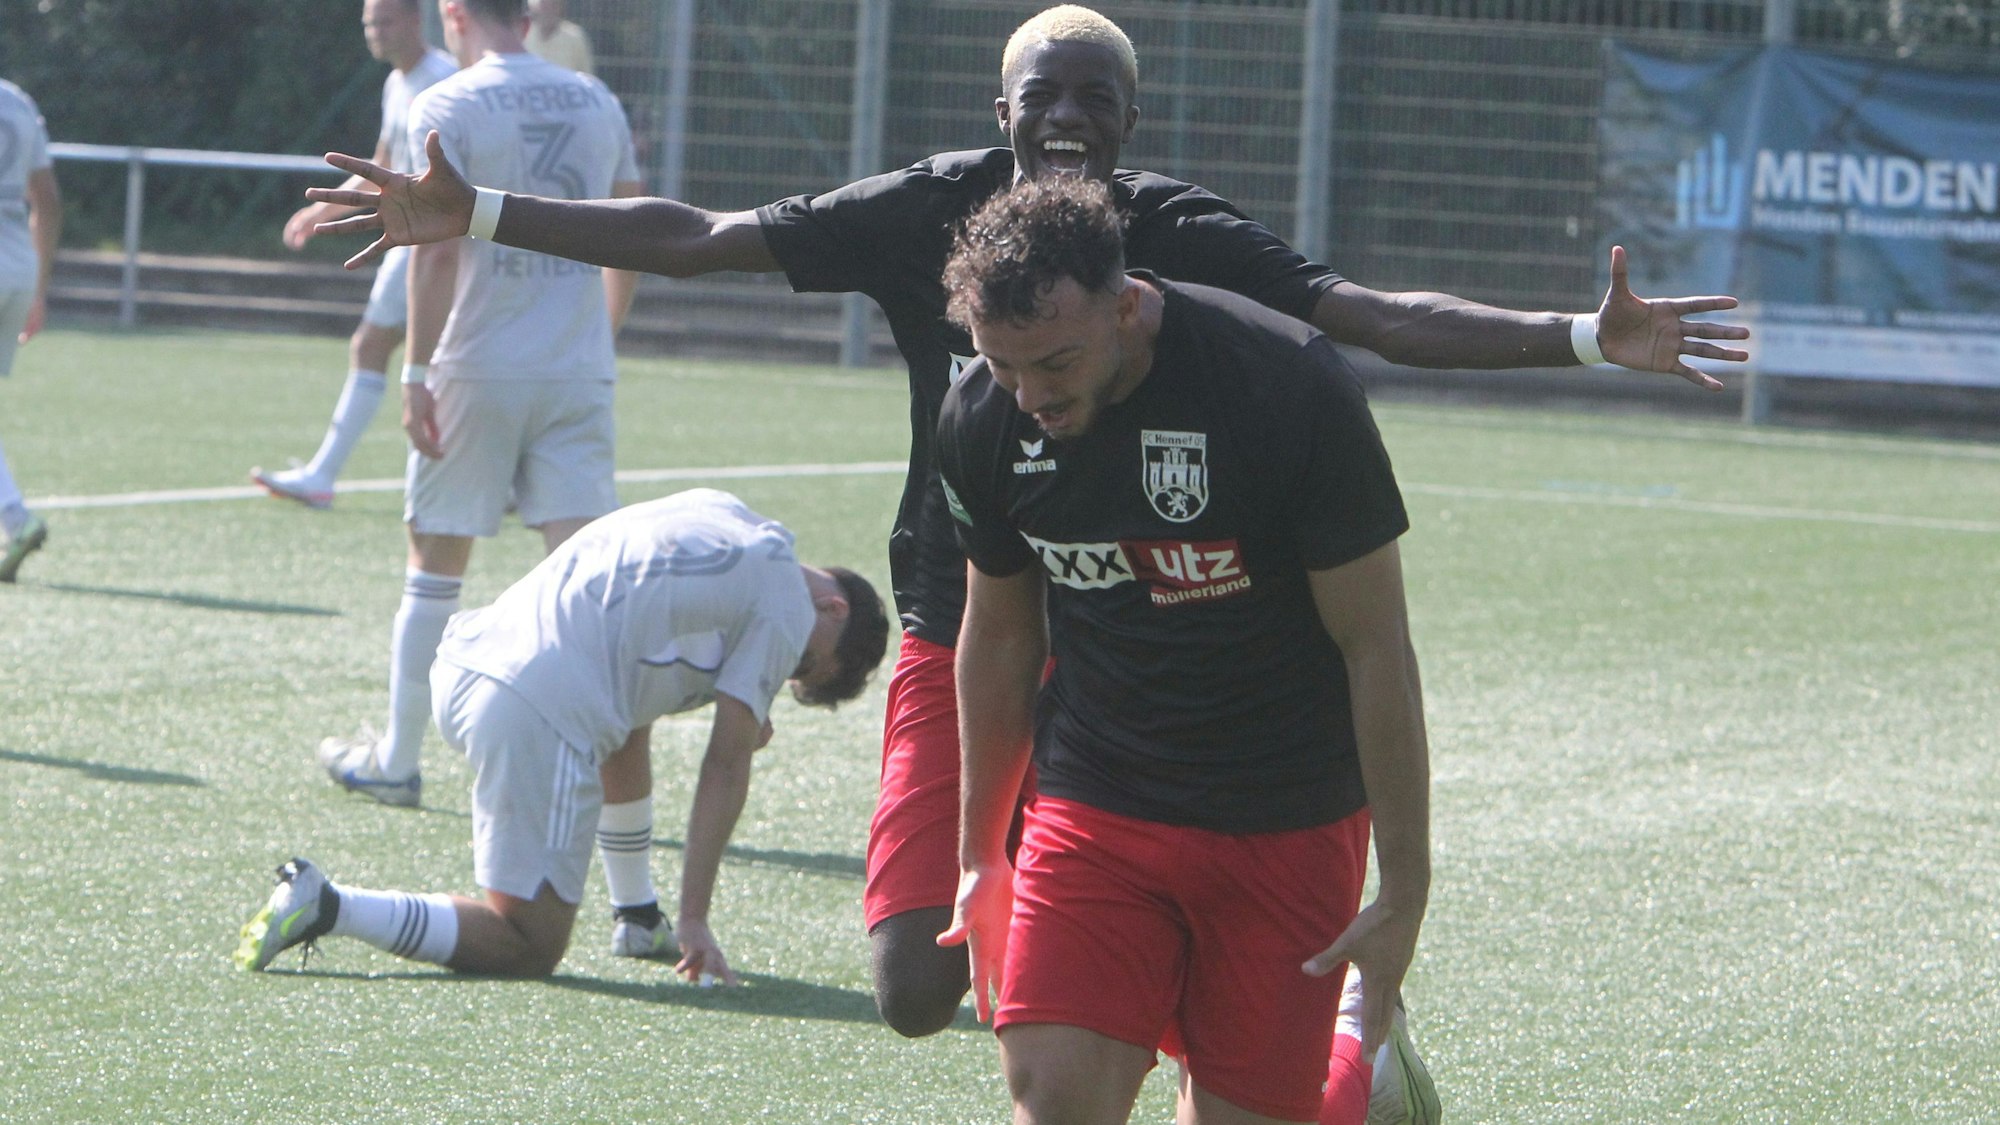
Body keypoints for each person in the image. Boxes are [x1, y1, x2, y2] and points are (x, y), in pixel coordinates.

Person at [298, 5, 1741, 1104]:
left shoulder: (1181, 243)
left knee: (1103, 1035)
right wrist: (475, 212)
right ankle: (1204, 1006)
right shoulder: (929, 210)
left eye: (1094, 102)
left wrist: (1573, 337)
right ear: (1003, 109)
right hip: (968, 617)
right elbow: (694, 236)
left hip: (1151, 655)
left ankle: (1269, 1031)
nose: (1066, 118)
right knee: (921, 982)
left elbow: (1369, 312)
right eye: (1041, 97)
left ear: (1129, 121)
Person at [932, 174, 1429, 1125]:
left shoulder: (1285, 383)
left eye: (1057, 363)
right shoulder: (985, 417)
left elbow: (1376, 647)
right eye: (1002, 365)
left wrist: (1404, 885)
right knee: (1055, 1094)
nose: (1030, 395)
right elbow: (997, 633)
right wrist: (979, 854)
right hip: (1099, 799)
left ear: (1126, 307)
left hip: (1286, 813)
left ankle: (1360, 1067)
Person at [236, 488, 890, 981]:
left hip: (469, 658)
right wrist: (696, 917)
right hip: (532, 705)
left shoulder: (727, 513)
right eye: (803, 664)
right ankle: (330, 904)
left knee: (629, 709)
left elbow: (638, 677)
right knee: (529, 943)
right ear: (833, 606)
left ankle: (636, 915)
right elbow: (724, 768)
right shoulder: (785, 606)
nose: (784, 673)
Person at [312, 0, 642, 820]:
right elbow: (632, 224)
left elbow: (432, 254)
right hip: (576, 370)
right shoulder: (594, 98)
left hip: (478, 367)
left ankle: (396, 758)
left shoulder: (446, 103)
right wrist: (596, 335)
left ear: (453, 13)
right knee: (585, 581)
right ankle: (601, 788)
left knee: (434, 565)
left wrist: (418, 369)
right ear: (525, 15)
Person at [251, 0, 457, 510]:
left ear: (414, 20)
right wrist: (321, 209)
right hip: (410, 240)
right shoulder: (396, 84)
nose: (375, 32)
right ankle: (324, 474)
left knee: (416, 354)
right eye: (369, 23)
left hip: (436, 242)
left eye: (385, 21)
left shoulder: (444, 81)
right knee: (389, 349)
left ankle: (324, 476)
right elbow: (385, 163)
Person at [0, 78, 61, 584]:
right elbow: (50, 202)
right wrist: (38, 290)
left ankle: (15, 517)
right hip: (17, 267)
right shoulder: (20, 102)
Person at [525, 0, 593, 76]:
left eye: (553, 5)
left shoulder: (575, 38)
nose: (547, 10)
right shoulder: (524, 35)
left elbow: (587, 78)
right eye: (543, 5)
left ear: (560, 7)